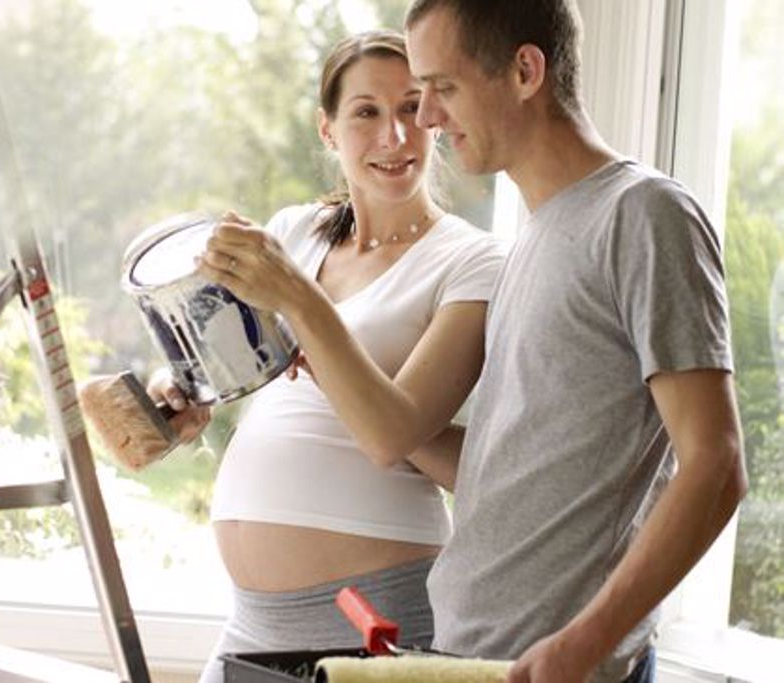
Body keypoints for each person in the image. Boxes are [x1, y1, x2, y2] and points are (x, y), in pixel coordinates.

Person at [397, 1, 749, 682]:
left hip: (560, 668)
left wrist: (584, 642)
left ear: (525, 70)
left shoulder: (643, 215)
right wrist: (370, 406)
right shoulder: (531, 236)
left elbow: (716, 461)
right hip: (468, 651)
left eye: (442, 87)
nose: (425, 120)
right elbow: (520, 468)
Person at [150, 29, 505, 683]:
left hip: (371, 613)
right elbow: (226, 364)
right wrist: (182, 394)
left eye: (410, 107)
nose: (394, 136)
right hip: (249, 619)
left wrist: (297, 301)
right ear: (327, 129)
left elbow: (394, 432)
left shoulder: (471, 261)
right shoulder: (295, 231)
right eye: (366, 112)